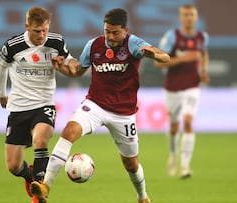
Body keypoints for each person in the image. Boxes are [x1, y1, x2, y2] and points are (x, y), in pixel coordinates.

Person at [30, 8, 170, 203]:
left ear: (125, 30)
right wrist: (60, 67)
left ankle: (142, 197)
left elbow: (165, 57)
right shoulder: (94, 45)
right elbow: (77, 71)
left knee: (130, 164)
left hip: (123, 114)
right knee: (69, 131)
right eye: (107, 31)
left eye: (115, 32)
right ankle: (45, 186)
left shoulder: (134, 43)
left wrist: (154, 54)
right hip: (95, 105)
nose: (110, 37)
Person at [0, 6, 79, 203]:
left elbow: (70, 59)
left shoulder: (56, 42)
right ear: (27, 27)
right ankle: (30, 176)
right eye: (36, 31)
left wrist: (72, 63)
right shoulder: (13, 45)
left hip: (44, 104)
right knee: (13, 166)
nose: (41, 35)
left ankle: (39, 190)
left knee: (40, 140)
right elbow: (1, 66)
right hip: (18, 107)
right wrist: (1, 93)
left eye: (45, 30)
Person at [154, 4, 209, 178]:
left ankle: (185, 166)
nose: (189, 18)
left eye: (191, 15)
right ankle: (173, 154)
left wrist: (203, 71)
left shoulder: (202, 37)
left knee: (187, 122)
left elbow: (203, 54)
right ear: (180, 17)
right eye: (185, 15)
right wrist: (185, 58)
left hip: (192, 87)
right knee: (174, 126)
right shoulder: (172, 37)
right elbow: (158, 63)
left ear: (196, 17)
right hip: (172, 88)